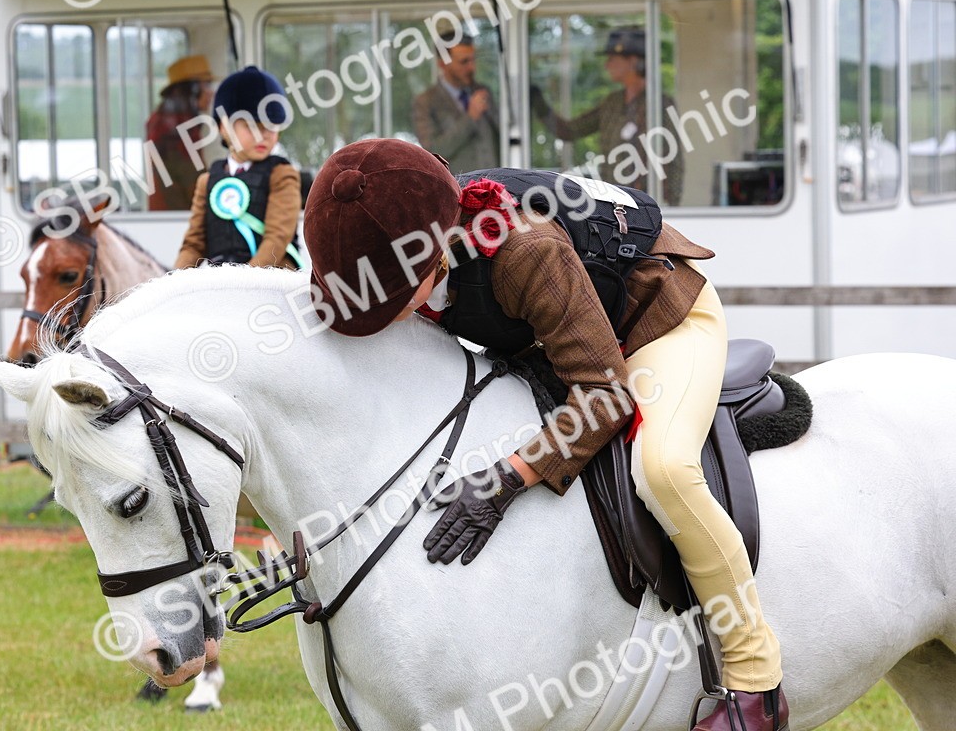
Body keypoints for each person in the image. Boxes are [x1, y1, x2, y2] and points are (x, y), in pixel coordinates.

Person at [302, 138, 788, 731]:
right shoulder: (393, 238)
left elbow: (605, 397)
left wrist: (510, 475)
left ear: (431, 260)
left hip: (657, 321)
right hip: (559, 335)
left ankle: (755, 681)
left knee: (663, 469)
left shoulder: (524, 250)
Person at [531, 27, 684, 205]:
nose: (606, 65)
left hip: (646, 206)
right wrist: (538, 102)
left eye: (612, 59)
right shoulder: (612, 103)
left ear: (632, 61)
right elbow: (569, 131)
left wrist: (670, 206)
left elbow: (673, 160)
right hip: (613, 202)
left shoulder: (659, 104)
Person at [174, 66, 302, 270]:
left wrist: (243, 283)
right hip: (222, 282)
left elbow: (277, 238)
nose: (264, 135)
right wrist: (172, 283)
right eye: (252, 126)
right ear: (224, 127)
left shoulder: (282, 175)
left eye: (271, 126)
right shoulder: (206, 182)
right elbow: (193, 244)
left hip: (272, 280)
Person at [411, 27, 500, 174]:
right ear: (442, 64)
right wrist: (470, 118)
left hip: (494, 186)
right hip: (456, 192)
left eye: (473, 60)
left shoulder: (483, 92)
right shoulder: (425, 102)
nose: (472, 67)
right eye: (464, 62)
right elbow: (431, 153)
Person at [146, 55, 216, 211]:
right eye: (207, 85)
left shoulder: (165, 121)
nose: (212, 92)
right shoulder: (175, 130)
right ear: (192, 90)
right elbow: (193, 184)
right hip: (180, 218)